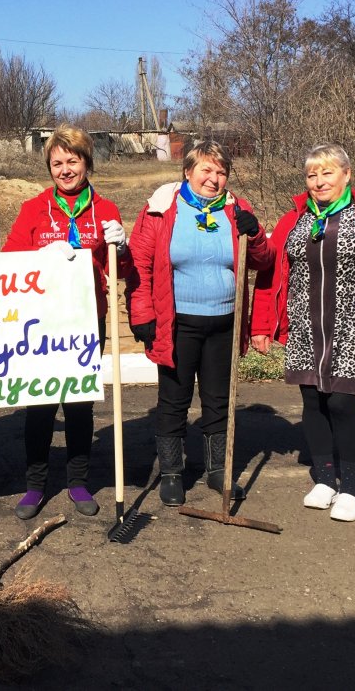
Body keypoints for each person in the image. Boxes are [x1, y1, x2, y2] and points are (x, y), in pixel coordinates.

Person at [250, 143, 355, 522]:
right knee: (313, 402)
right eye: (312, 175)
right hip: (306, 324)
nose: (319, 181)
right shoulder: (294, 218)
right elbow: (270, 271)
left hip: (354, 324)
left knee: (342, 403)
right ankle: (325, 478)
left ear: (346, 175)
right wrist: (261, 325)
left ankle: (351, 485)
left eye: (327, 172)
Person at [128, 141, 272, 507]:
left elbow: (263, 261)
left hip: (224, 322)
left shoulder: (235, 209)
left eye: (221, 172)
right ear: (188, 172)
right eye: (207, 170)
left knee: (218, 400)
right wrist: (141, 311)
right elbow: (140, 265)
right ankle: (173, 472)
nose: (214, 178)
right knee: (174, 400)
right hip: (178, 323)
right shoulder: (162, 209)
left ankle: (217, 470)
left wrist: (254, 233)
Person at [2, 125, 132, 519]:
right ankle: (35, 485)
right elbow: (8, 259)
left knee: (78, 406)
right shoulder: (34, 209)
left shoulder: (105, 210)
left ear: (87, 162)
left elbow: (122, 268)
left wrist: (120, 245)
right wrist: (43, 257)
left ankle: (78, 481)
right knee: (39, 406)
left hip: (85, 321)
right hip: (40, 324)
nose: (64, 169)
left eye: (72, 160)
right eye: (57, 163)